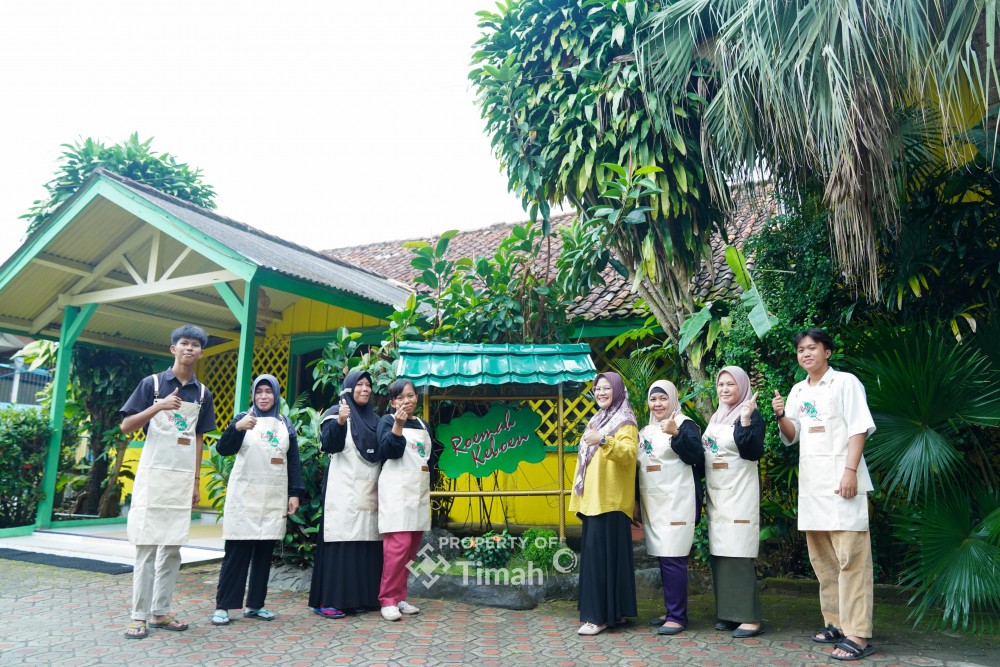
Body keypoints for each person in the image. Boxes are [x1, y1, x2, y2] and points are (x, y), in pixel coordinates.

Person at [773, 328, 877, 661]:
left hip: (843, 480)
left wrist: (850, 472)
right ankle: (835, 621)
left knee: (852, 559)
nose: (806, 354)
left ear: (826, 351)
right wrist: (779, 416)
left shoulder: (846, 383)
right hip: (813, 487)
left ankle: (858, 633)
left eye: (812, 348)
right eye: (801, 350)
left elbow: (858, 427)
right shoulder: (798, 390)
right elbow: (792, 434)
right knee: (824, 562)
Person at [119, 324, 216, 639]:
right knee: (146, 547)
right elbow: (126, 426)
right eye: (184, 343)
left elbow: (199, 438)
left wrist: (197, 482)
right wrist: (158, 406)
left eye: (195, 345)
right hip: (153, 475)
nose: (189, 349)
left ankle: (160, 612)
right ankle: (138, 615)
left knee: (172, 549)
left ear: (201, 352)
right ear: (173, 348)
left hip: (182, 478)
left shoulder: (202, 394)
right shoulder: (152, 384)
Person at [210, 374, 304, 625]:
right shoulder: (243, 419)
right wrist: (235, 428)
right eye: (259, 391)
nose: (264, 396)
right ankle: (224, 606)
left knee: (264, 553)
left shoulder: (285, 424)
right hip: (245, 495)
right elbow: (223, 449)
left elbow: (293, 461)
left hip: (272, 495)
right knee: (237, 553)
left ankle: (255, 605)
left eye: (268, 391)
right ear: (253, 395)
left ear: (276, 395)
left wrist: (294, 492)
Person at [308, 371, 383, 618]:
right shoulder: (336, 412)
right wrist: (340, 422)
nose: (365, 389)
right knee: (341, 543)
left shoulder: (375, 419)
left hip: (368, 490)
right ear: (348, 388)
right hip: (343, 492)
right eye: (359, 384)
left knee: (366, 544)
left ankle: (359, 599)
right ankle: (329, 600)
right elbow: (328, 445)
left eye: (368, 385)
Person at [570, 371, 639, 636]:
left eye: (606, 388)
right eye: (597, 389)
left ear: (618, 390)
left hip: (609, 500)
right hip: (594, 499)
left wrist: (602, 439)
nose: (600, 393)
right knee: (604, 559)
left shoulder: (625, 421)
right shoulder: (598, 418)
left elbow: (629, 454)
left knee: (600, 560)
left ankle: (597, 617)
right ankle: (615, 613)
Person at [637, 380, 704, 636]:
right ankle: (671, 610)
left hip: (678, 500)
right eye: (653, 400)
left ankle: (678, 616)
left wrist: (676, 433)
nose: (658, 404)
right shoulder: (645, 431)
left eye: (663, 399)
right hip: (652, 502)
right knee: (664, 557)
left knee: (674, 556)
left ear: (673, 399)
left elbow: (697, 456)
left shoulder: (685, 424)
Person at [703, 366, 765, 638]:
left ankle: (750, 617)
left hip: (740, 491)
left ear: (742, 386)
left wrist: (746, 420)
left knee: (739, 551)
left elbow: (752, 451)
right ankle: (729, 613)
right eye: (721, 384)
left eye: (731, 384)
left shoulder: (751, 414)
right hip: (717, 492)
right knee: (721, 552)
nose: (725, 389)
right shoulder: (716, 417)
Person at [376, 378, 432, 622]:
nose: (406, 401)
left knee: (410, 550)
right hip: (396, 491)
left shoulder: (423, 424)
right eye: (400, 398)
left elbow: (428, 459)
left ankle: (400, 596)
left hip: (418, 491)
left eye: (410, 396)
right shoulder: (386, 421)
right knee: (397, 548)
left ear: (416, 398)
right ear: (392, 402)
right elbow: (389, 451)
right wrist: (397, 426)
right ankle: (387, 600)